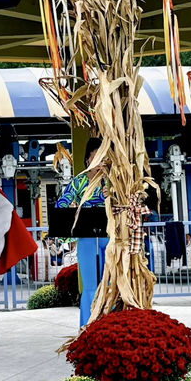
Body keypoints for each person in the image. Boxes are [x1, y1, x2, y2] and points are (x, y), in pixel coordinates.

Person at [56, 137, 107, 327]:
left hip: (110, 239)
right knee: (90, 286)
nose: (101, 162)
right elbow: (62, 203)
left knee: (109, 284)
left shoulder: (114, 180)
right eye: (96, 157)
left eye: (104, 157)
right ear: (87, 159)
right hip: (87, 239)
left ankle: (109, 325)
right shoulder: (79, 182)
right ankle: (87, 326)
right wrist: (72, 213)